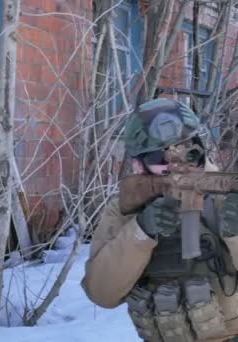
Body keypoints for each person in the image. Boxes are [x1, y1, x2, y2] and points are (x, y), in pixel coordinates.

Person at [82, 98, 238, 342]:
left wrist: (235, 234)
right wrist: (141, 231)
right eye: (159, 157)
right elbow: (102, 293)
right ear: (137, 164)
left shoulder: (227, 197)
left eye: (188, 149)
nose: (176, 164)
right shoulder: (127, 208)